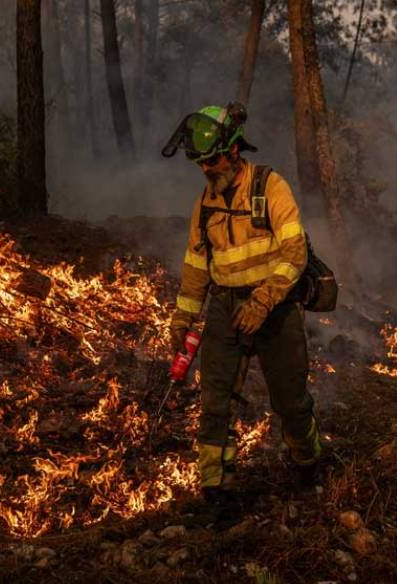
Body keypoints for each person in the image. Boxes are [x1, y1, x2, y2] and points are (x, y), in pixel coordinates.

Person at [161, 102, 321, 505]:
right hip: (224, 308)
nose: (205, 169)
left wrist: (263, 301)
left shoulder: (269, 187)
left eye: (211, 160)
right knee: (214, 403)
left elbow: (295, 253)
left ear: (233, 151)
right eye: (199, 162)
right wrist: (183, 318)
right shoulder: (205, 204)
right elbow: (197, 265)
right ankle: (216, 493)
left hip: (275, 307)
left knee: (289, 400)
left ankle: (309, 465)